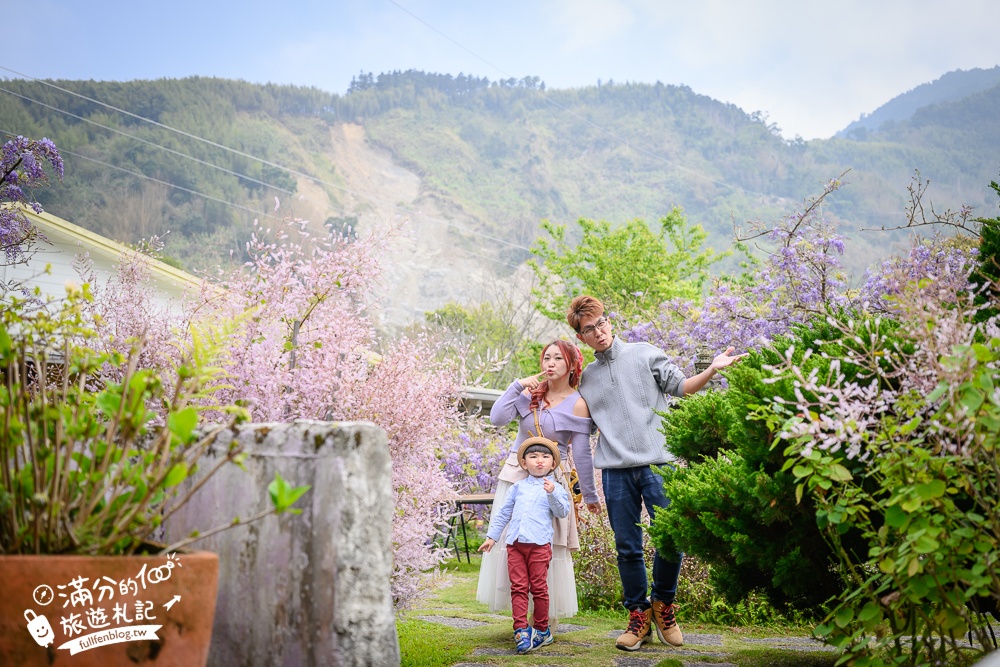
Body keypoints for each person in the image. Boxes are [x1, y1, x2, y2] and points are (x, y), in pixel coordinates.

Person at [566, 295, 745, 652]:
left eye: (601, 323)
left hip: (659, 464)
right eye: (589, 329)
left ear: (609, 322)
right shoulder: (587, 379)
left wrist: (713, 369)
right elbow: (579, 430)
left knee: (671, 539)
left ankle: (664, 605)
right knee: (627, 547)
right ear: (581, 337)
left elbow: (682, 387)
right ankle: (638, 615)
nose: (598, 332)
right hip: (616, 472)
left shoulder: (645, 353)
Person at [477, 340, 599, 623]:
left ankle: (545, 619)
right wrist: (517, 385)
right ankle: (520, 617)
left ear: (572, 365)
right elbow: (497, 418)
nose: (550, 364)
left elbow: (582, 453)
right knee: (513, 541)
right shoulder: (530, 394)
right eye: (547, 358)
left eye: (558, 358)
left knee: (548, 544)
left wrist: (590, 494)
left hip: (551, 483)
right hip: (516, 477)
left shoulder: (578, 403)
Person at [478, 437, 571, 653]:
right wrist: (492, 537)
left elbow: (562, 512)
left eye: (545, 457)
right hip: (516, 545)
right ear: (523, 463)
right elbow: (504, 513)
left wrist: (552, 493)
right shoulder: (517, 488)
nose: (539, 460)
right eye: (533, 456)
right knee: (518, 587)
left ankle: (542, 629)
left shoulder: (555, 488)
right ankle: (520, 629)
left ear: (553, 464)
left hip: (539, 545)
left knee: (539, 588)